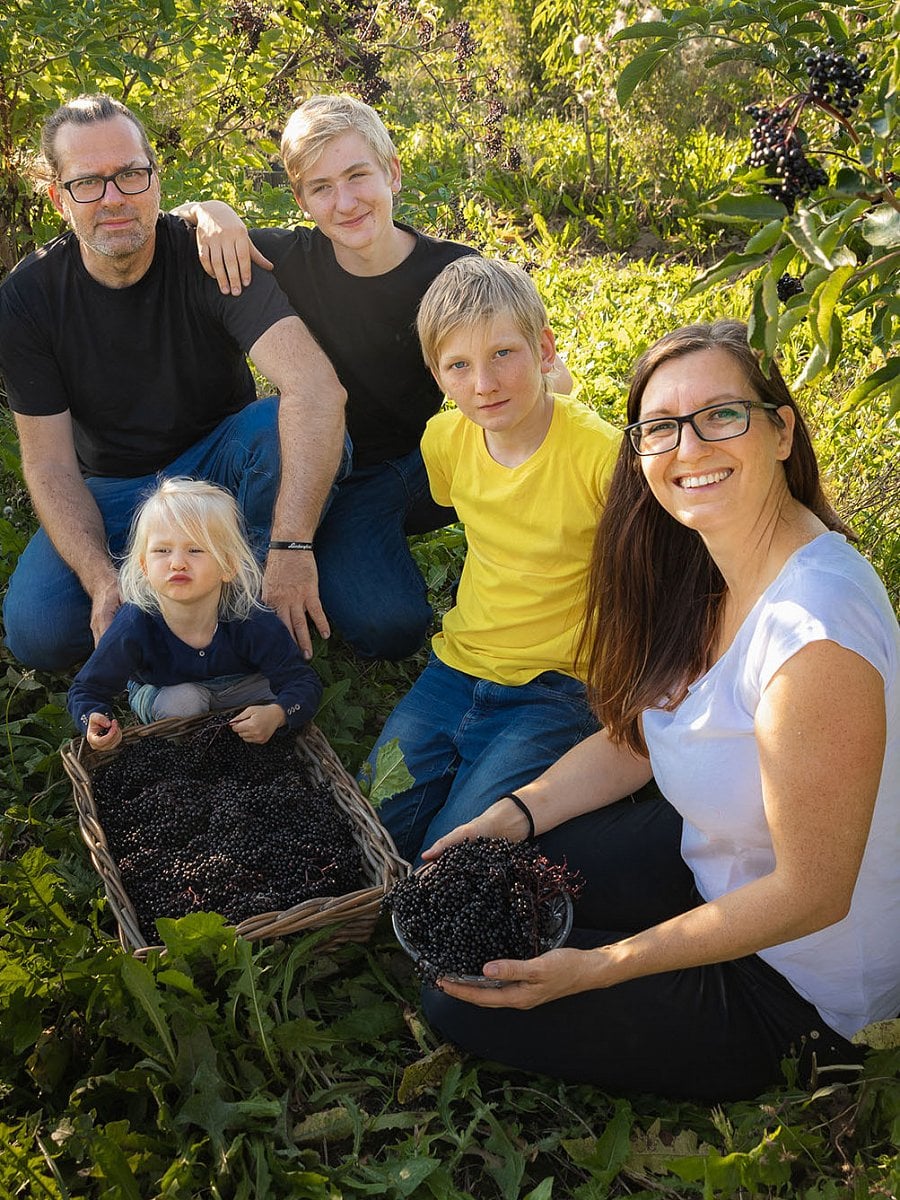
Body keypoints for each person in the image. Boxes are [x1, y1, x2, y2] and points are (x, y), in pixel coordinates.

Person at [417, 319, 899, 1102]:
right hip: (716, 861)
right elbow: (641, 736)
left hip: (800, 980)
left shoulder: (815, 638)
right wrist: (516, 812)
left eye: (721, 415)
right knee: (498, 885)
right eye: (661, 428)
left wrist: (604, 967)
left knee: (462, 998)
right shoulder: (710, 564)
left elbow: (814, 893)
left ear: (781, 431)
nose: (690, 448)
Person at [178, 94, 572, 659]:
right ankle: (323, 547)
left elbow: (544, 369)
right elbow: (168, 230)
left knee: (393, 628)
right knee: (382, 617)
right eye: (321, 188)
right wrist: (211, 209)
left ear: (392, 171)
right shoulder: (284, 257)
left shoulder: (451, 273)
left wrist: (545, 398)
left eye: (358, 175)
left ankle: (400, 548)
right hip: (315, 462)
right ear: (302, 200)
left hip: (409, 464)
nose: (345, 202)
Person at [0, 93, 346, 672]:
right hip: (114, 490)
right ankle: (157, 608)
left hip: (218, 470)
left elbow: (316, 388)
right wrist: (101, 579)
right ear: (61, 198)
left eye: (131, 174)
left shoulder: (210, 254)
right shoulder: (27, 300)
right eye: (89, 183)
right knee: (39, 631)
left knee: (276, 430)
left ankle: (246, 618)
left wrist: (291, 547)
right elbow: (50, 467)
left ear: (155, 179)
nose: (114, 198)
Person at [362, 256, 620, 863]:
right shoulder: (444, 441)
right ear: (438, 375)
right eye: (460, 365)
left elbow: (648, 575)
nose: (485, 383)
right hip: (456, 667)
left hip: (557, 685)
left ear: (545, 347)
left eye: (504, 353)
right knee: (373, 824)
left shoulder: (602, 458)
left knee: (456, 854)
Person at [68, 478, 322, 750]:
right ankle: (185, 744)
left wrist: (279, 713)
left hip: (240, 686)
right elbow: (86, 689)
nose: (177, 563)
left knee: (278, 696)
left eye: (195, 550)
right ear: (144, 565)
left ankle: (249, 730)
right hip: (167, 690)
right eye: (162, 551)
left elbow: (303, 682)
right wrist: (93, 718)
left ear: (228, 566)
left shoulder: (249, 618)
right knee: (183, 702)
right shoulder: (135, 623)